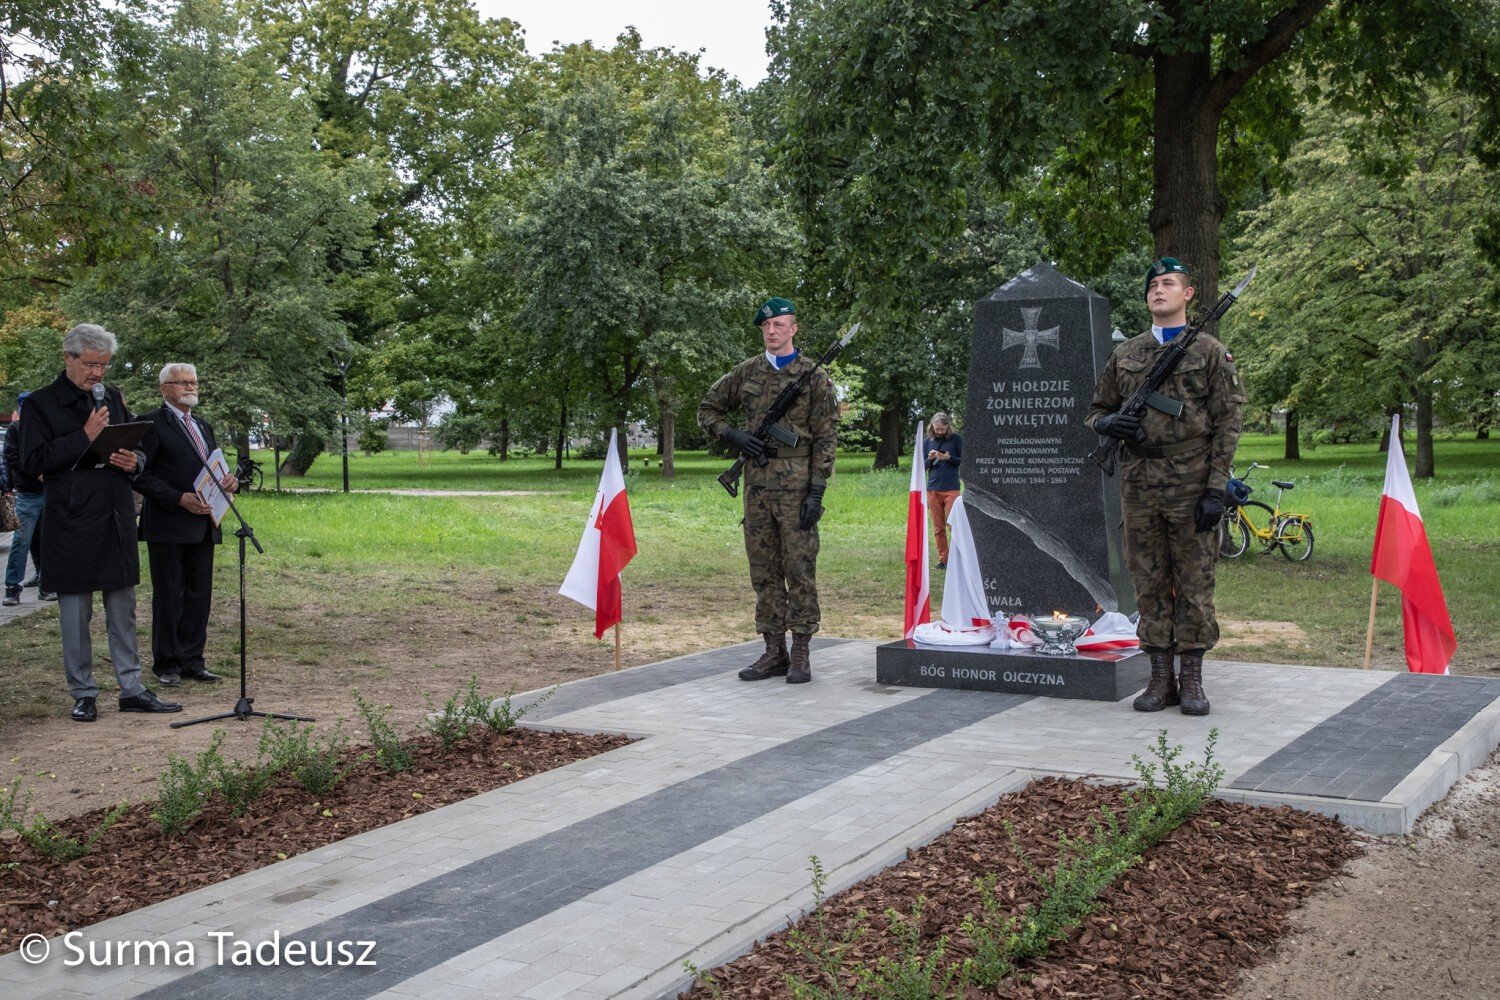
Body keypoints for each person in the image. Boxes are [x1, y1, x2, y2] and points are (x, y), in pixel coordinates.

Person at [1085, 257, 1245, 716]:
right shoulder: (1127, 353)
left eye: (1169, 283)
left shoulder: (1210, 351)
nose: (1159, 290)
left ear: (1188, 295)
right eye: (1153, 284)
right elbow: (1096, 410)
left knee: (1194, 581)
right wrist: (1110, 423)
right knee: (1149, 581)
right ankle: (1160, 678)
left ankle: (1191, 679)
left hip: (1192, 480)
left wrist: (1216, 488)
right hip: (1139, 484)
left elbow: (1228, 423)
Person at [18, 323, 181, 721]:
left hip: (115, 515)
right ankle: (84, 692)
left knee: (122, 610)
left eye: (104, 366)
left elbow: (138, 448)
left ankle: (132, 688)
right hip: (71, 521)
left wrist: (133, 462)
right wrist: (84, 436)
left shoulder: (113, 398)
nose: (98, 374)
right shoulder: (41, 404)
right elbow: (32, 463)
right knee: (76, 614)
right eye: (91, 365)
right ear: (68, 358)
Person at [698, 297, 840, 684]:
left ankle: (801, 651)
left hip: (797, 489)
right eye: (766, 326)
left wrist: (817, 490)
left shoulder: (813, 376)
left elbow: (827, 436)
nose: (772, 331)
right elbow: (708, 409)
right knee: (764, 571)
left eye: (779, 325)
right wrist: (734, 435)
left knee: (800, 568)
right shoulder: (746, 372)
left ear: (793, 329)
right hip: (757, 486)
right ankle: (773, 649)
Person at [134, 363, 237, 686]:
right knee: (169, 594)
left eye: (193, 382)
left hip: (204, 522)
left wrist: (229, 481)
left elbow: (210, 467)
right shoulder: (149, 422)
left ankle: (193, 660)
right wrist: (178, 498)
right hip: (168, 522)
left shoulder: (203, 425)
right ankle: (167, 664)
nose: (190, 388)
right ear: (165, 388)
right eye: (182, 383)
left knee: (198, 594)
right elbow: (139, 474)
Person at [3, 393, 52, 605]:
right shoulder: (16, 429)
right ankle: (12, 588)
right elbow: (12, 457)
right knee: (21, 541)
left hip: (49, 493)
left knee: (47, 541)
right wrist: (37, 473)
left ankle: (46, 585)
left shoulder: (46, 427)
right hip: (28, 494)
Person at [924, 413, 962, 569]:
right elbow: (922, 466)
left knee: (954, 524)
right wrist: (931, 459)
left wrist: (949, 458)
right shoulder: (927, 441)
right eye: (937, 429)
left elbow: (963, 460)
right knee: (938, 526)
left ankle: (958, 558)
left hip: (951, 488)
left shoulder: (956, 439)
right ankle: (943, 560)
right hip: (933, 488)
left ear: (948, 426)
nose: (940, 432)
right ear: (932, 426)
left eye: (943, 429)